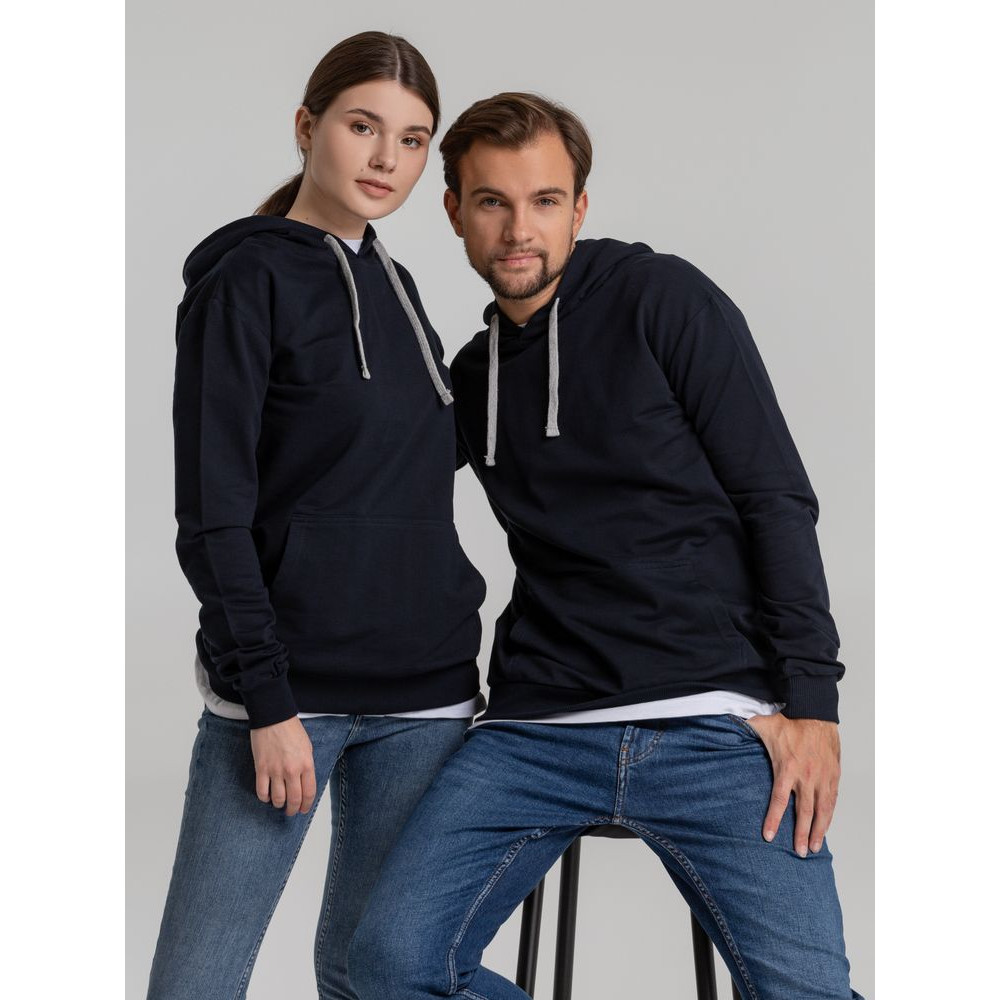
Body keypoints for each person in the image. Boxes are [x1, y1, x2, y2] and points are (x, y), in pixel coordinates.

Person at [349, 93, 864, 999]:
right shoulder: (473, 378)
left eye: (545, 201)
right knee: (389, 966)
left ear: (579, 209)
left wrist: (813, 706)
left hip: (714, 723)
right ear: (454, 212)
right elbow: (368, 493)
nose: (520, 230)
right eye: (493, 202)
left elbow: (776, 498)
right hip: (536, 733)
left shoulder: (662, 300)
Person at [146, 32, 486, 1000]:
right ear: (307, 127)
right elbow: (212, 513)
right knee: (199, 982)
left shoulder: (398, 286)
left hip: (426, 697)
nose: (387, 159)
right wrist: (267, 700)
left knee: (372, 976)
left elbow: (401, 471)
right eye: (363, 126)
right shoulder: (245, 280)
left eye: (413, 140)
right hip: (288, 695)